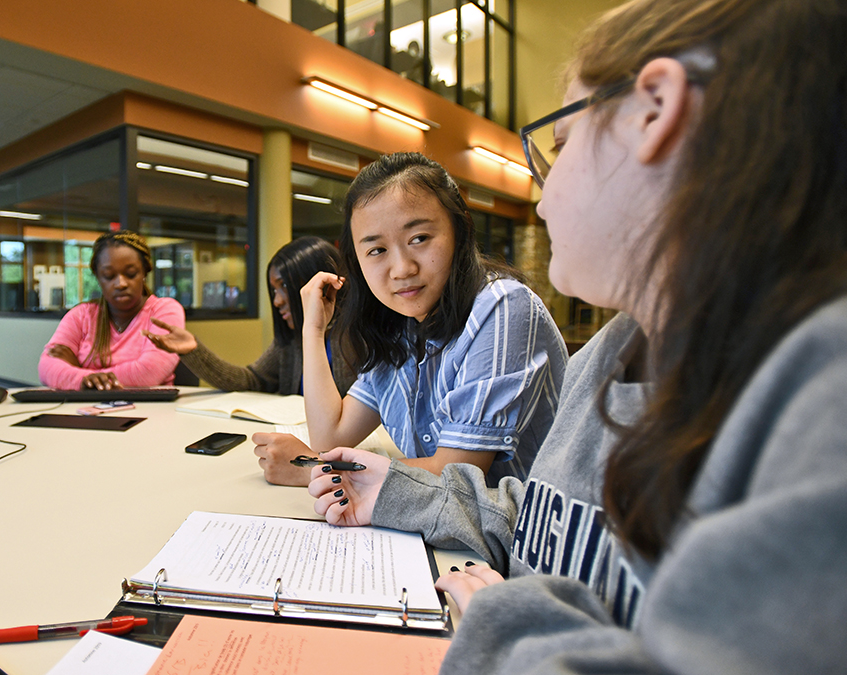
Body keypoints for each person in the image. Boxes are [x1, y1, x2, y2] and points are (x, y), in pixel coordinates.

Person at [308, 1, 847, 672]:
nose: (541, 194)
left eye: (558, 148)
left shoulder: (823, 408)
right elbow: (548, 519)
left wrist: (509, 635)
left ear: (654, 111)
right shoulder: (612, 349)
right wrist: (397, 489)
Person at [301, 153, 566, 488]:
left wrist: (314, 470)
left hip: (527, 534)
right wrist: (313, 329)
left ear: (460, 229)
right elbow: (329, 438)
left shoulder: (501, 307)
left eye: (419, 239)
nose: (402, 269)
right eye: (376, 250)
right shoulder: (399, 330)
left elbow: (458, 475)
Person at [144, 236, 358, 485]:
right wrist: (193, 350)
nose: (277, 301)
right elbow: (252, 379)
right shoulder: (291, 341)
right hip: (301, 454)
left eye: (284, 287)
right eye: (274, 290)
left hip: (338, 461)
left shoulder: (361, 340)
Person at [38, 230, 183, 390]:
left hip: (151, 409)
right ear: (98, 277)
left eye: (130, 274)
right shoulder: (81, 315)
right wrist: (88, 378)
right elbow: (46, 367)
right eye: (108, 275)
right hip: (88, 409)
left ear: (144, 272)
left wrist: (83, 375)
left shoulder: (164, 310)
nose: (120, 283)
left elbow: (149, 372)